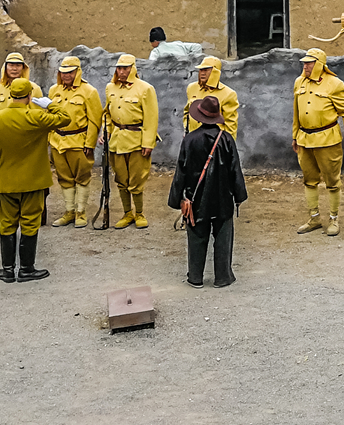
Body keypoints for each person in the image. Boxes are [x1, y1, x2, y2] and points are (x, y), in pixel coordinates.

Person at [0, 80, 71, 282]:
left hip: (6, 182)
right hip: (34, 182)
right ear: (29, 96)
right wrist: (49, 104)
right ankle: (26, 269)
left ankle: (7, 270)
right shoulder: (36, 117)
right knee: (30, 224)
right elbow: (65, 118)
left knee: (7, 225)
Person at [169, 96, 246, 287]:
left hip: (196, 200)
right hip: (223, 199)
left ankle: (195, 277)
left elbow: (181, 171)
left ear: (199, 117)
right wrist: (238, 196)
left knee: (196, 237)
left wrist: (177, 198)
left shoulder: (189, 140)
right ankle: (223, 277)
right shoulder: (227, 139)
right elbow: (235, 170)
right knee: (223, 239)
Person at [292, 48, 344, 237]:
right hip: (304, 139)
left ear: (319, 64)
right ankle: (314, 218)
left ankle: (334, 219)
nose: (305, 66)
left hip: (328, 139)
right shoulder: (299, 82)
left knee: (332, 181)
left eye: (309, 63)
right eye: (304, 63)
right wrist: (295, 136)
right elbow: (296, 112)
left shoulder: (334, 84)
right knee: (309, 180)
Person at [104, 54, 159, 229]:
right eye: (119, 68)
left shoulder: (145, 88)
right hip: (117, 140)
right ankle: (127, 213)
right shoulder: (110, 87)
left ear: (133, 69)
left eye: (125, 68)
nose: (121, 72)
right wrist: (106, 133)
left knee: (137, 178)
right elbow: (107, 113)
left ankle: (140, 213)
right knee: (121, 178)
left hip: (136, 139)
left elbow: (151, 117)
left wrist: (148, 142)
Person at [48, 56, 104, 228]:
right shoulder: (54, 90)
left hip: (79, 141)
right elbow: (49, 115)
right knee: (64, 178)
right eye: (63, 72)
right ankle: (69, 211)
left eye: (70, 72)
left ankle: (81, 212)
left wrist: (90, 144)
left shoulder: (89, 91)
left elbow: (95, 120)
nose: (66, 75)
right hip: (58, 141)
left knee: (82, 177)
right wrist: (50, 138)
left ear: (77, 72)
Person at [184, 56, 239, 137]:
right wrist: (186, 131)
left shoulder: (228, 94)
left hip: (214, 142)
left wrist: (226, 145)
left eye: (206, 70)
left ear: (215, 71)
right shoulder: (192, 88)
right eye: (201, 70)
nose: (202, 73)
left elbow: (230, 124)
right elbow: (187, 112)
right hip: (193, 139)